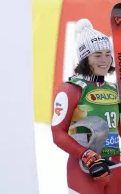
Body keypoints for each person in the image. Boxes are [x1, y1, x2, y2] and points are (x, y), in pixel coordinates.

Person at [51, 18, 121, 194]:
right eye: (97, 55)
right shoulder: (70, 89)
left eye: (107, 53)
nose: (104, 60)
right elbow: (58, 133)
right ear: (84, 58)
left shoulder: (114, 89)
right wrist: (86, 155)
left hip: (116, 168)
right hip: (84, 170)